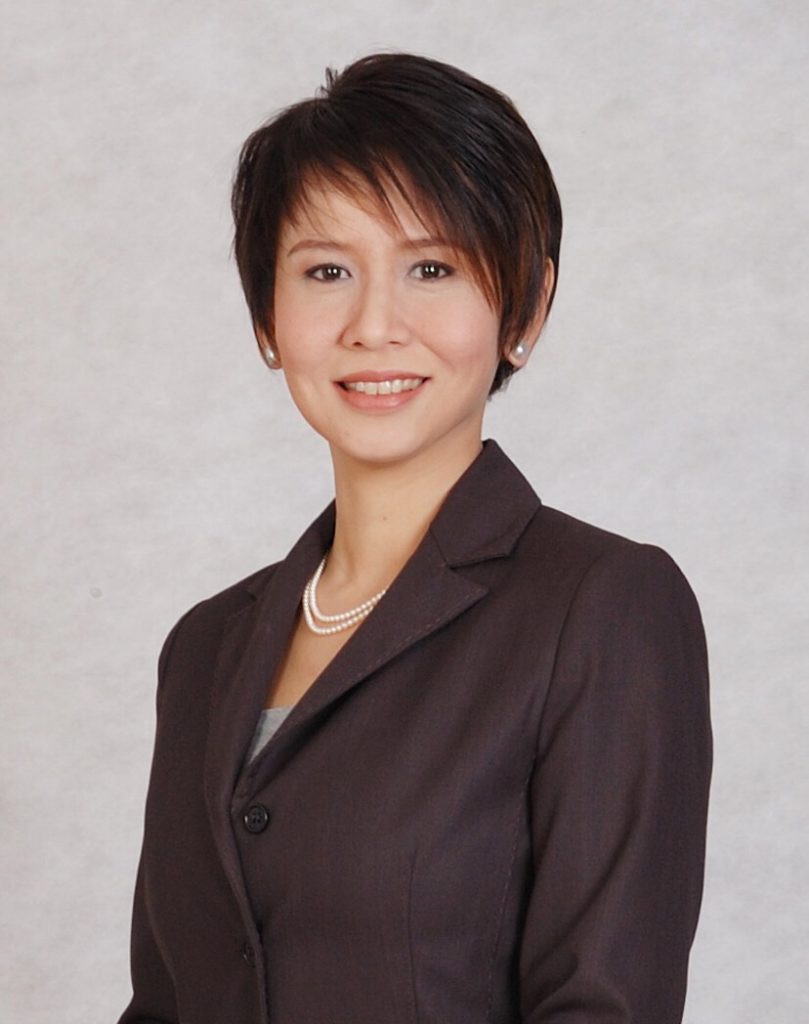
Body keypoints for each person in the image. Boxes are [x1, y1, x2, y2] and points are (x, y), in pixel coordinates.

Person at [118, 53, 712, 1024]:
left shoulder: (602, 607)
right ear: (267, 316)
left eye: (431, 268)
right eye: (326, 271)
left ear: (523, 306)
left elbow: (603, 1004)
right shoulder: (204, 646)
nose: (373, 325)